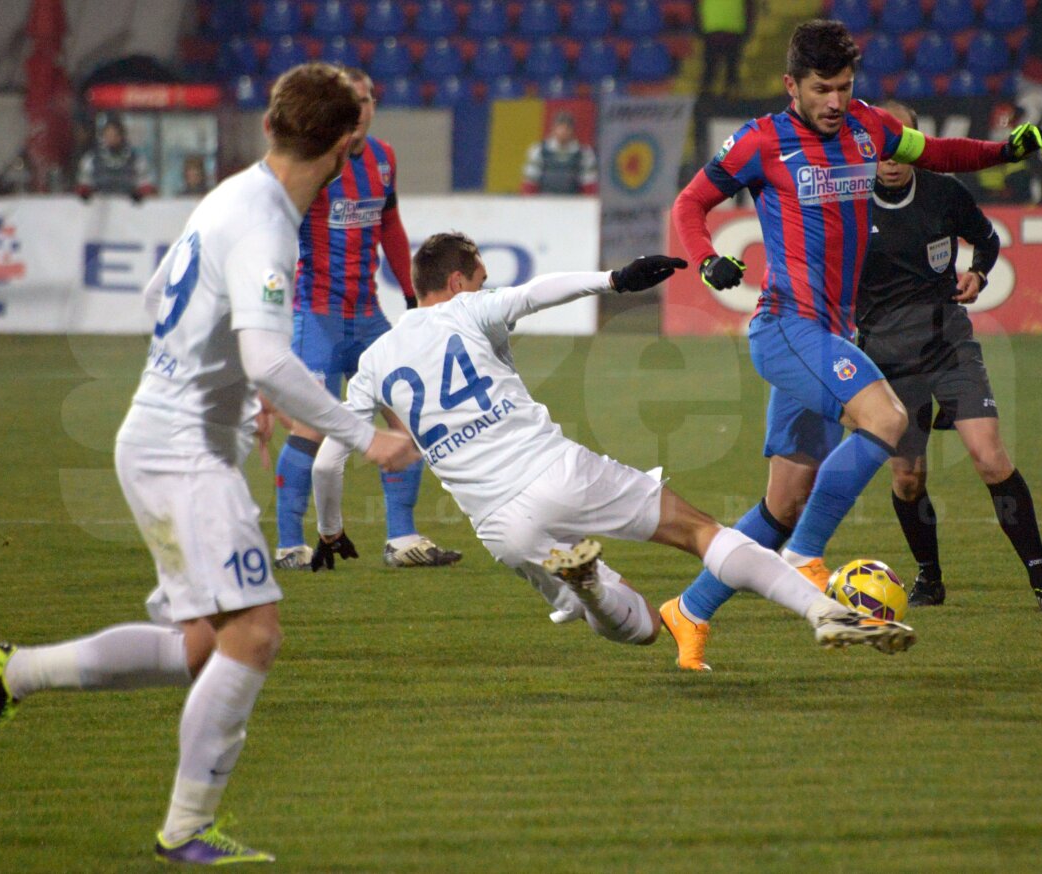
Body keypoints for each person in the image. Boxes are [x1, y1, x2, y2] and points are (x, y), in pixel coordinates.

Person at [0, 63, 419, 864]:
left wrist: (230, 388)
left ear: (272, 124)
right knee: (255, 635)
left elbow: (155, 296)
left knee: (201, 646)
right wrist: (363, 435)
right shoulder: (268, 227)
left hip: (165, 439)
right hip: (182, 453)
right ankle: (186, 828)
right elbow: (269, 359)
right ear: (348, 144)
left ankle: (14, 672)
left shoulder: (231, 196)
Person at [310, 232, 917, 669]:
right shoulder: (465, 309)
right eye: (480, 281)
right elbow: (535, 294)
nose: (485, 290)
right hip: (553, 470)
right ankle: (818, 611)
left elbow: (329, 460)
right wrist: (615, 280)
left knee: (642, 629)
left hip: (499, 526)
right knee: (700, 531)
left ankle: (590, 588)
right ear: (456, 284)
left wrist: (332, 530)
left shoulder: (373, 365)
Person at [664, 19, 1042, 669]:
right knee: (889, 419)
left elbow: (939, 153)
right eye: (822, 89)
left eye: (844, 87)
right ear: (791, 85)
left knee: (781, 504)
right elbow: (689, 203)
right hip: (787, 327)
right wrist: (706, 259)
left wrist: (1004, 151)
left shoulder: (870, 127)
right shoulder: (761, 141)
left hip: (828, 335)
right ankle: (806, 558)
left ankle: (691, 609)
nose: (835, 101)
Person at [857, 100, 1042, 612]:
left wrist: (978, 272)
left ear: (917, 145)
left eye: (900, 145)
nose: (890, 158)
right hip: (886, 360)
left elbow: (987, 240)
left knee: (990, 457)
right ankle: (929, 579)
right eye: (880, 148)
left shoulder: (944, 193)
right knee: (908, 478)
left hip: (947, 344)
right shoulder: (849, 205)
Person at [274, 67, 461, 571]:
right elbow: (274, 238)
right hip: (316, 317)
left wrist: (413, 296)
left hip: (367, 317)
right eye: (352, 99)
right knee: (311, 427)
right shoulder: (312, 163)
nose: (361, 108)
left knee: (407, 416)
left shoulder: (383, 158)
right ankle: (290, 544)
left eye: (368, 98)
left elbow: (391, 226)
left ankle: (401, 537)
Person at [75, 116, 157, 201]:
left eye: (115, 135)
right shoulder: (91, 159)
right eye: (107, 135)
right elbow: (83, 184)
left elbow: (146, 185)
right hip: (100, 205)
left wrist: (139, 194)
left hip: (128, 206)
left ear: (122, 136)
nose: (111, 139)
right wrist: (85, 192)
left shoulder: (136, 159)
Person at [521, 112, 599, 195]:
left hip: (574, 201)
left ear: (572, 130)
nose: (563, 132)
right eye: (560, 128)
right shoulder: (538, 150)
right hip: (544, 200)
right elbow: (530, 181)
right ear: (553, 129)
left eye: (567, 128)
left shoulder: (584, 153)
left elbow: (589, 184)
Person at [699, 0, 751, 96]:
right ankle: (730, 89)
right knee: (731, 64)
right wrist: (748, 28)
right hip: (734, 27)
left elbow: (698, 5)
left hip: (712, 27)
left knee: (711, 64)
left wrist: (699, 27)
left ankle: (707, 89)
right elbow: (749, 6)